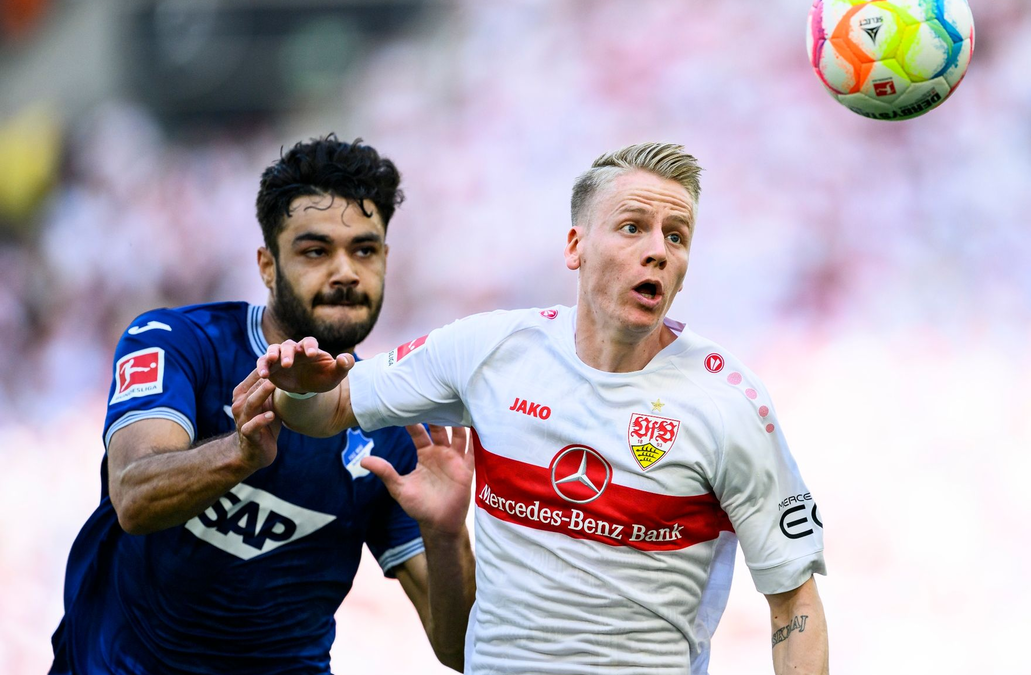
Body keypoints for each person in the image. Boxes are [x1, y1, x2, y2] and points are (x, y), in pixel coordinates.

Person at [259, 142, 829, 674]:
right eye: (633, 227)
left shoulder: (729, 402)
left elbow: (794, 602)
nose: (658, 250)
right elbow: (327, 410)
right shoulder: (491, 350)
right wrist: (300, 388)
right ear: (576, 247)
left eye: (676, 237)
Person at [50, 135, 474, 675]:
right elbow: (133, 496)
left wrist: (445, 535)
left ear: (386, 261)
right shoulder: (179, 342)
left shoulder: (392, 423)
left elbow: (459, 649)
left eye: (364, 250)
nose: (346, 271)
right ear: (267, 265)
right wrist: (240, 453)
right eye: (316, 251)